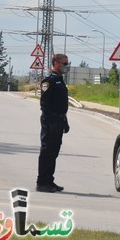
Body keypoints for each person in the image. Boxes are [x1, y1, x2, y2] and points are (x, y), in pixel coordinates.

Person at [36, 53, 71, 193]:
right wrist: (50, 121)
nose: (66, 66)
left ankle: (49, 180)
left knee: (54, 152)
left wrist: (64, 120)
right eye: (65, 63)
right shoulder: (48, 80)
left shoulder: (59, 79)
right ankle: (42, 182)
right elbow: (44, 103)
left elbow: (60, 104)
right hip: (50, 121)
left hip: (59, 119)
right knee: (47, 151)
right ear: (56, 63)